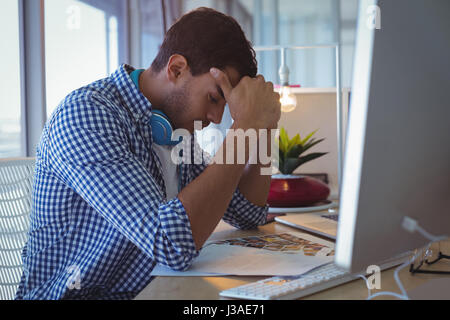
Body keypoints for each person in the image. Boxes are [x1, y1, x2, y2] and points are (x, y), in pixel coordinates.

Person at [16, 7, 281, 300]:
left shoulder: (175, 128)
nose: (218, 117)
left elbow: (248, 212)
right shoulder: (87, 115)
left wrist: (263, 127)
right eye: (214, 98)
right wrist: (244, 126)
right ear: (177, 69)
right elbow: (171, 243)